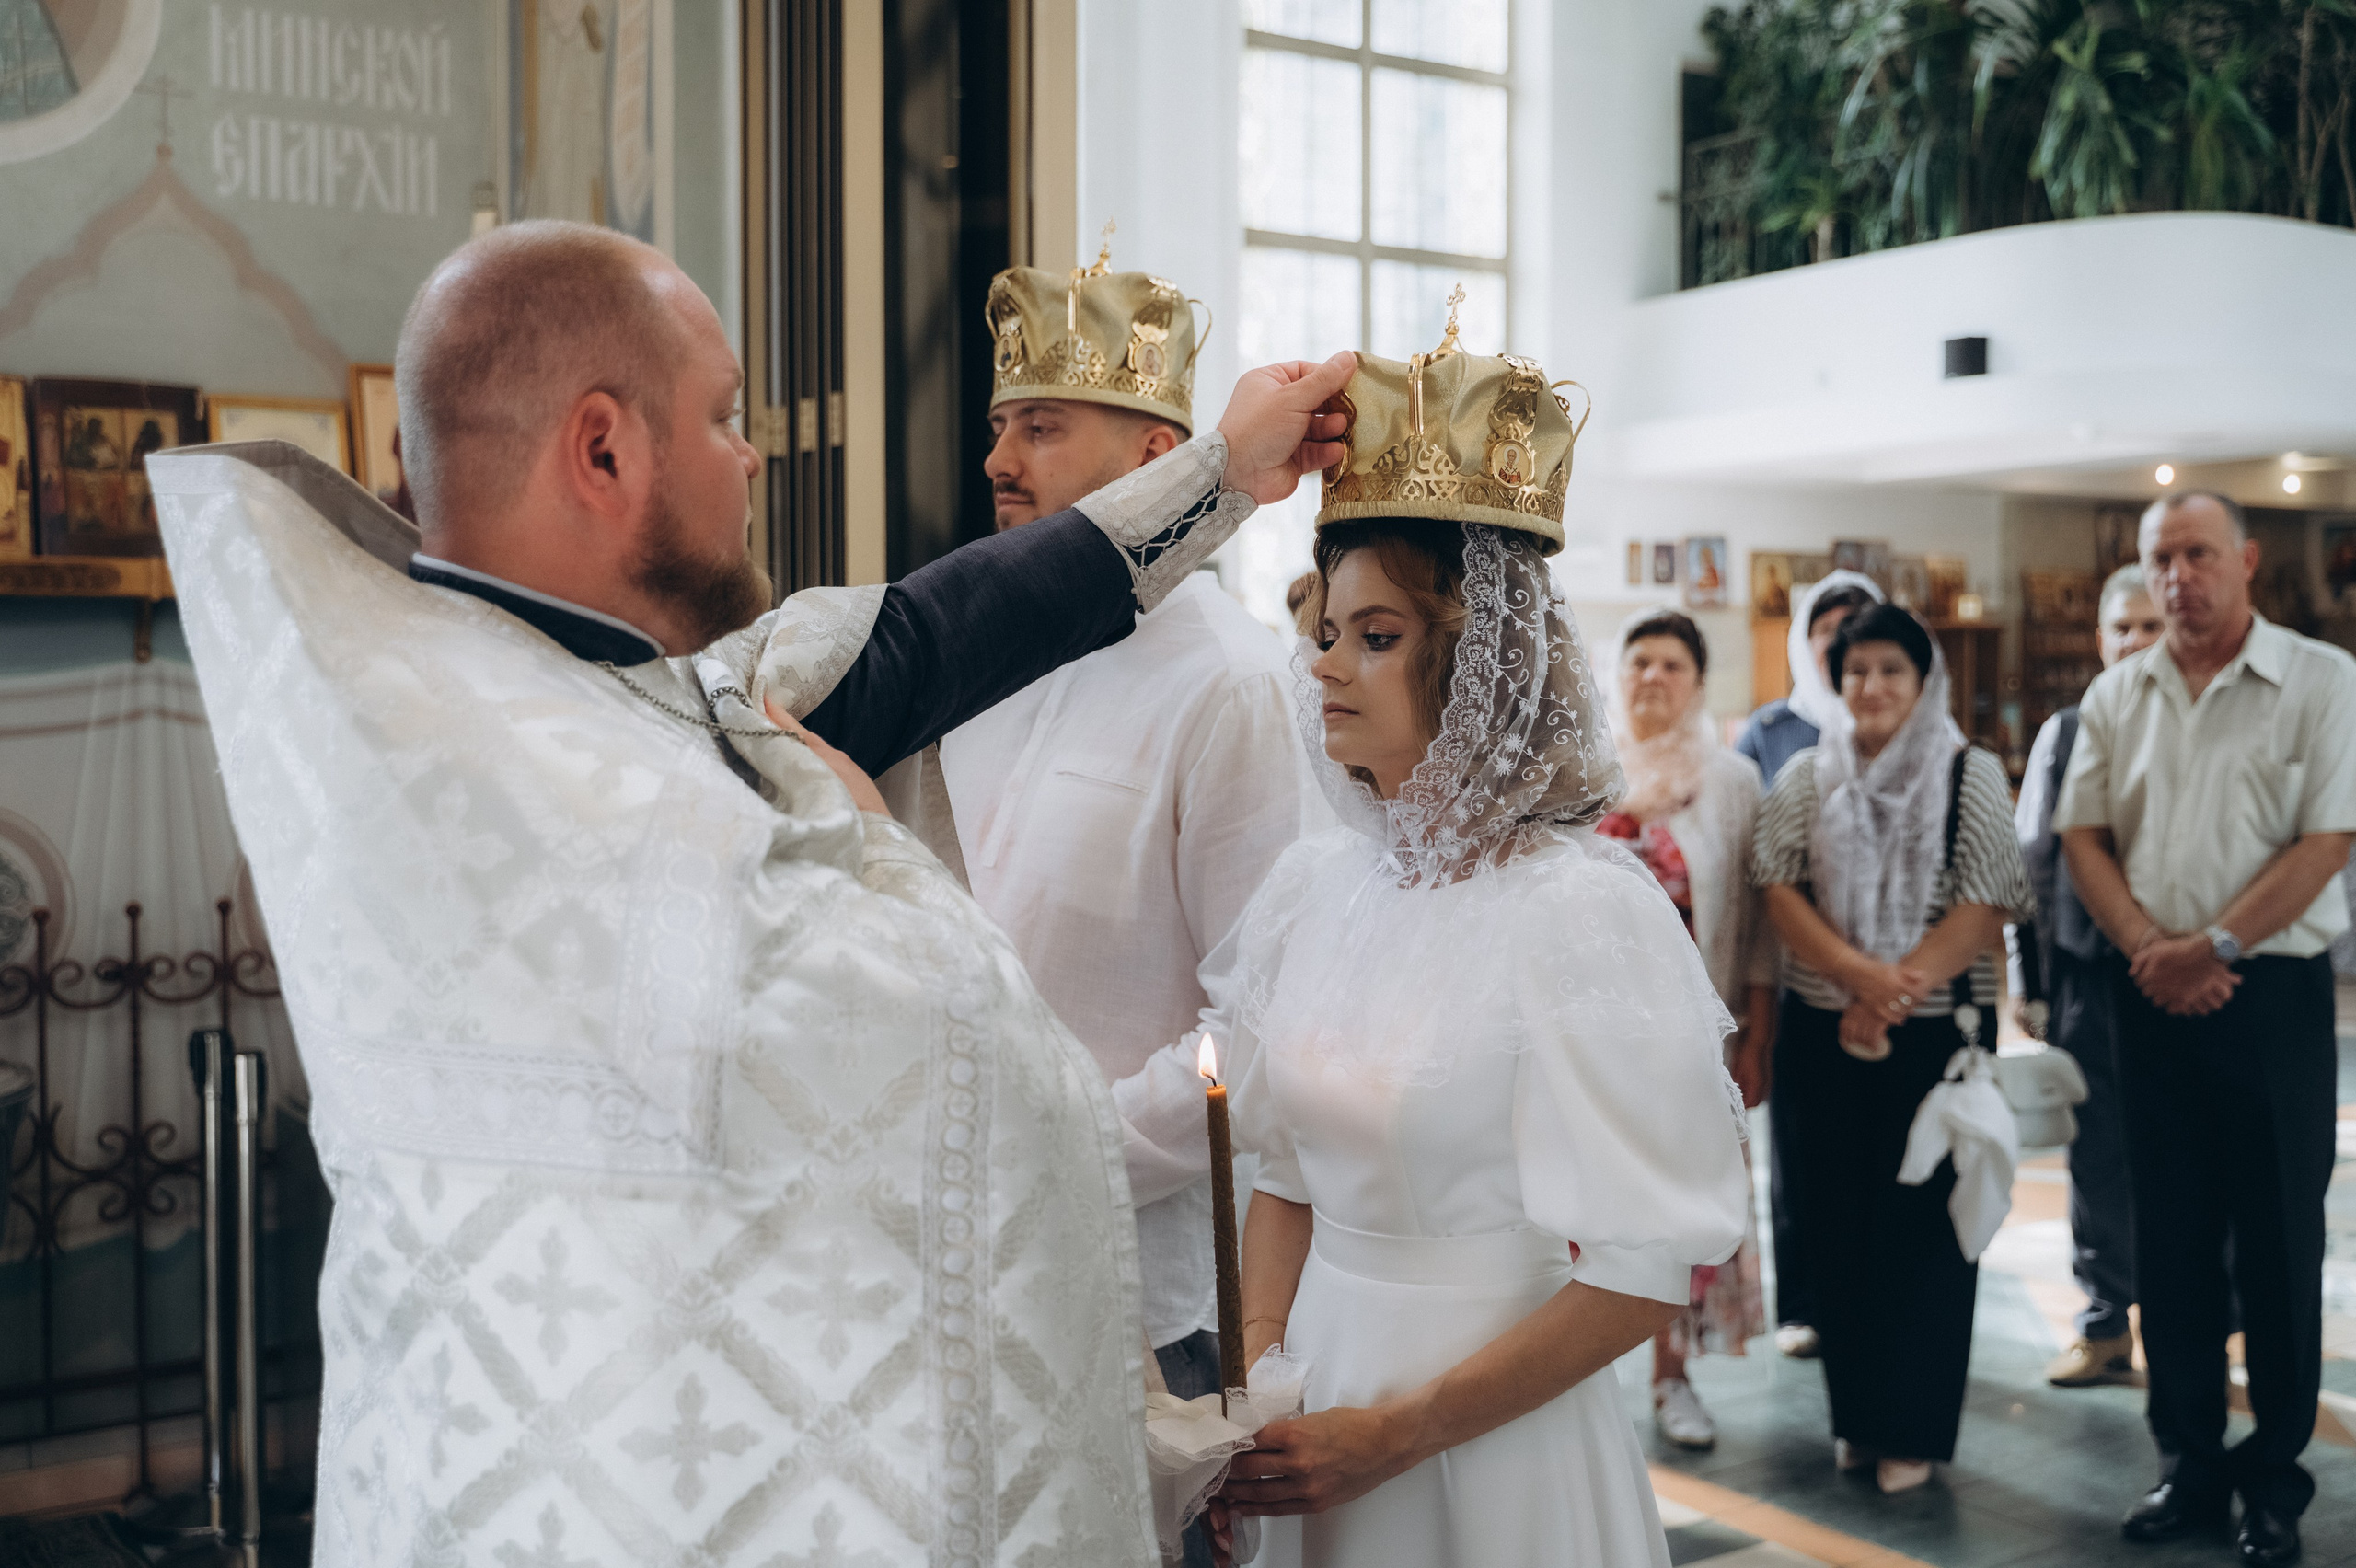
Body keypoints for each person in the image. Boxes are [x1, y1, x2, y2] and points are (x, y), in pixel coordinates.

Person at [147, 219, 1357, 1566]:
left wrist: (1225, 477)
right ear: (604, 450)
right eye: (722, 417)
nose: (753, 452)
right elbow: (964, 1055)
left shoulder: (531, 690)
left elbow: (922, 638)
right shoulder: (568, 790)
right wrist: (863, 839)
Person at [1166, 335, 1751, 1566]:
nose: (1323, 664)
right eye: (1327, 630)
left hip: (1491, 1434)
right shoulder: (1314, 890)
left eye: (1374, 635)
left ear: (1478, 665)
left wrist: (1399, 1434)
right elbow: (1282, 1174)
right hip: (1318, 1401)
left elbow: (1645, 1269)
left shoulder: (1580, 913)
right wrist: (1260, 1387)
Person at [941, 250, 1325, 1568]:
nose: (1001, 456)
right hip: (968, 1255)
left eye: (1042, 425)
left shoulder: (1226, 684)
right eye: (1000, 422)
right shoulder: (983, 662)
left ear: (1163, 453)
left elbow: (1262, 1037)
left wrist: (1054, 1153)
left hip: (1143, 1296)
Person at [2057, 491, 2356, 1568]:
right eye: (2158, 558)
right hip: (2151, 993)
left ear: (2247, 559)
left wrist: (2214, 946)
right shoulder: (2115, 693)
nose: (2176, 576)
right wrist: (2152, 946)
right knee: (2168, 1240)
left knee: (2277, 1242)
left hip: (2268, 995)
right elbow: (2083, 834)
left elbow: (2327, 840)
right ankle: (2186, 1462)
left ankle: (2271, 1482)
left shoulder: (2320, 682)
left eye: (2196, 554)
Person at [1752, 602, 2033, 1495]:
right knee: (1836, 1227)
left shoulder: (1968, 771)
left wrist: (1893, 988)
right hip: (1824, 1027)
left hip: (1933, 1037)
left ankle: (1910, 1428)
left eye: (1890, 672)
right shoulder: (1806, 770)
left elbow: (1984, 897)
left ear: (1924, 683)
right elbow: (1777, 881)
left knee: (1921, 1234)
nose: (1870, 688)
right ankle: (1858, 1420)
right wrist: (1855, 979)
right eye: (1856, 671)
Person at [1600, 607, 1775, 1451]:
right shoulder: (1583, 767)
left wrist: (1757, 1037)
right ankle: (1579, 1384)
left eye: (1672, 665)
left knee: (1677, 1216)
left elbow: (1756, 927)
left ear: (1698, 682)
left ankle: (1674, 1378)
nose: (1653, 679)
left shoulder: (1731, 782)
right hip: (1590, 1038)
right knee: (1585, 1210)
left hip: (1689, 1042)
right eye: (1640, 662)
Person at [2008, 564, 2165, 1389]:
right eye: (2123, 628)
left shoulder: (2190, 724)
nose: (2137, 641)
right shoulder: (2066, 731)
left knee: (2183, 1150)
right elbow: (2029, 864)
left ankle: (2189, 1322)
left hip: (2178, 974)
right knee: (2097, 1156)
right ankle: (2104, 1324)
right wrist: (2027, 983)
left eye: (2151, 626)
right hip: (2085, 976)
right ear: (2101, 641)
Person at [1735, 569, 1882, 1361]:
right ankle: (1807, 1301)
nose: (1841, 639)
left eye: (1857, 622)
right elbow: (1754, 854)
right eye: (1826, 626)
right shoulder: (1771, 729)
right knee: (1802, 1144)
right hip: (1794, 964)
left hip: (1890, 969)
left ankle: (1872, 1285)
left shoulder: (1905, 723)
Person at [1734, 571, 1884, 788]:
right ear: (1806, 645)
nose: (1838, 642)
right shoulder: (1766, 731)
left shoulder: (1912, 725)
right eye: (1826, 629)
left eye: (1851, 625)